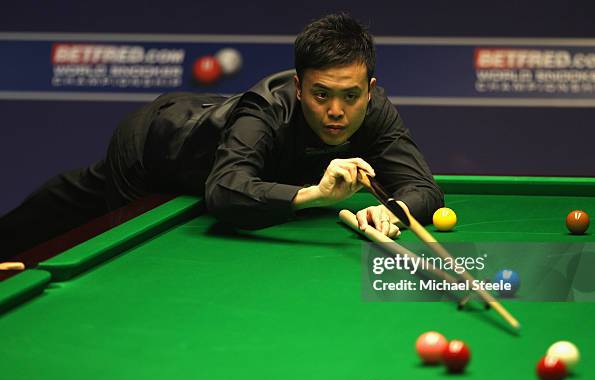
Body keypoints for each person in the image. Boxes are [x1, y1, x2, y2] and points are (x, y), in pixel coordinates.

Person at [0, 13, 443, 263]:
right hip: (153, 150)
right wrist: (317, 195)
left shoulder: (376, 110)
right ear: (298, 85)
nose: (335, 111)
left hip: (204, 132)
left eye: (350, 96)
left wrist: (392, 212)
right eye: (321, 94)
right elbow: (226, 190)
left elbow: (424, 187)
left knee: (76, 195)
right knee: (111, 244)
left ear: (369, 89)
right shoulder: (266, 109)